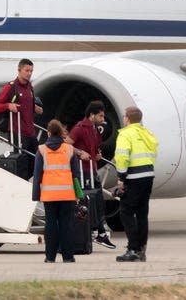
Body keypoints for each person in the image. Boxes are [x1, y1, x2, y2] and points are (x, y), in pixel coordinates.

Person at [33, 119, 88, 263]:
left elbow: (37, 175)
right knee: (66, 225)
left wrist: (36, 195)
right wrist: (78, 194)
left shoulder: (41, 150)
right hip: (67, 194)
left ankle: (50, 257)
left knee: (50, 225)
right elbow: (75, 174)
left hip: (49, 195)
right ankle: (68, 257)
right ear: (61, 132)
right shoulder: (69, 150)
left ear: (48, 133)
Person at [66, 100, 116, 249]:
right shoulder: (79, 128)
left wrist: (96, 154)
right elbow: (67, 144)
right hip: (83, 171)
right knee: (89, 201)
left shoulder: (95, 129)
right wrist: (79, 153)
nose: (103, 119)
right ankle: (96, 231)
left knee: (98, 201)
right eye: (100, 116)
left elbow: (94, 147)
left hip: (92, 169)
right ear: (92, 115)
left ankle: (100, 232)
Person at [114, 106, 158, 262]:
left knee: (125, 212)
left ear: (127, 118)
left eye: (124, 116)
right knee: (142, 213)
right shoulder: (147, 133)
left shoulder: (125, 134)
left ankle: (133, 248)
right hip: (148, 175)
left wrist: (121, 177)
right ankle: (142, 249)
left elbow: (122, 157)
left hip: (134, 177)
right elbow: (154, 153)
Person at [0, 58, 44, 180]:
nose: (29, 73)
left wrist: (35, 107)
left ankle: (25, 180)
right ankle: (22, 182)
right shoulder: (11, 87)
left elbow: (27, 104)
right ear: (19, 70)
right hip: (17, 132)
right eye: (27, 70)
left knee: (37, 160)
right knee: (21, 161)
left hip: (30, 131)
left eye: (31, 71)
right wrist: (8, 106)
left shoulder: (29, 87)